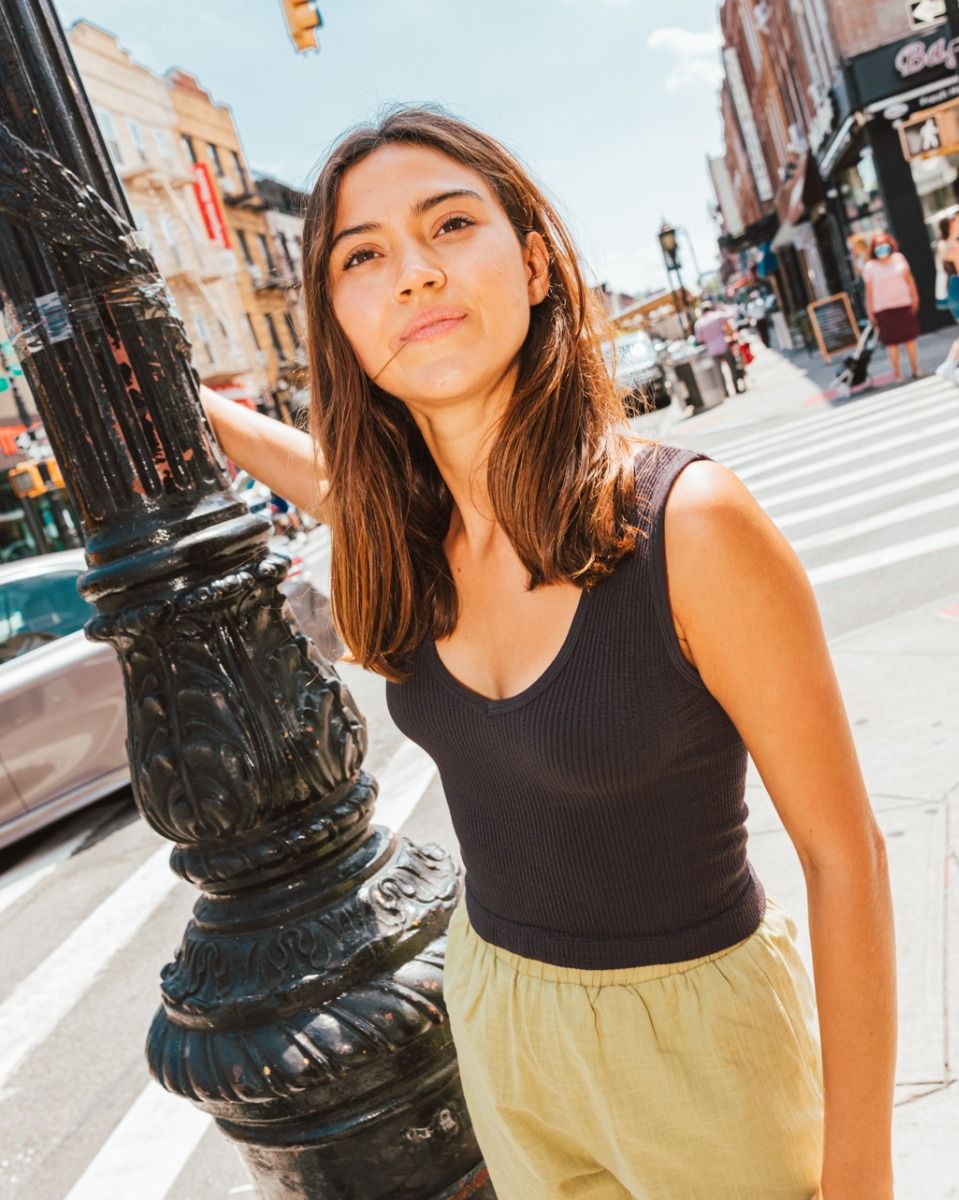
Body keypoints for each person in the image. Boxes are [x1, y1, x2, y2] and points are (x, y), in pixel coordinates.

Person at [199, 105, 896, 1200]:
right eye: (364, 256)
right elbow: (336, 482)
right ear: (339, 320)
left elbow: (844, 855)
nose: (415, 276)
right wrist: (219, 422)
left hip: (697, 1046)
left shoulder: (690, 523)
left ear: (532, 265)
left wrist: (860, 1176)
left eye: (449, 226)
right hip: (496, 1013)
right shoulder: (411, 540)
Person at [863, 231, 922, 381]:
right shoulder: (870, 267)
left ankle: (915, 369)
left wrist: (915, 297)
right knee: (892, 343)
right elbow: (868, 292)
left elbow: (910, 280)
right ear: (873, 248)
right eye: (878, 245)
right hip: (884, 309)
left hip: (903, 304)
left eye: (884, 243)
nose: (882, 247)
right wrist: (870, 312)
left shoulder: (899, 259)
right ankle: (897, 373)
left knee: (910, 339)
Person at [693, 299, 743, 395]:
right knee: (732, 367)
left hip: (712, 349)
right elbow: (731, 315)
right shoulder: (716, 315)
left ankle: (725, 392)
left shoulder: (699, 323)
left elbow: (699, 339)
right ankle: (736, 388)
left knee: (719, 372)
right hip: (723, 345)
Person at [933, 213, 959, 385]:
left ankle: (949, 364)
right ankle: (949, 364)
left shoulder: (946, 244)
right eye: (956, 220)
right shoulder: (950, 245)